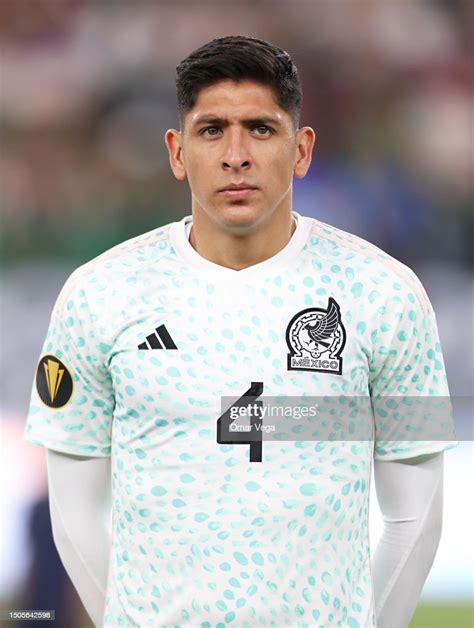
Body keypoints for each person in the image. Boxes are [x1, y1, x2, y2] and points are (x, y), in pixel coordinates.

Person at [24, 36, 457, 627]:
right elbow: (72, 509)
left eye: (259, 128)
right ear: (177, 152)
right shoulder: (98, 293)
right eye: (210, 130)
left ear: (301, 149)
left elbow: (419, 511)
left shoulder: (390, 293)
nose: (235, 155)